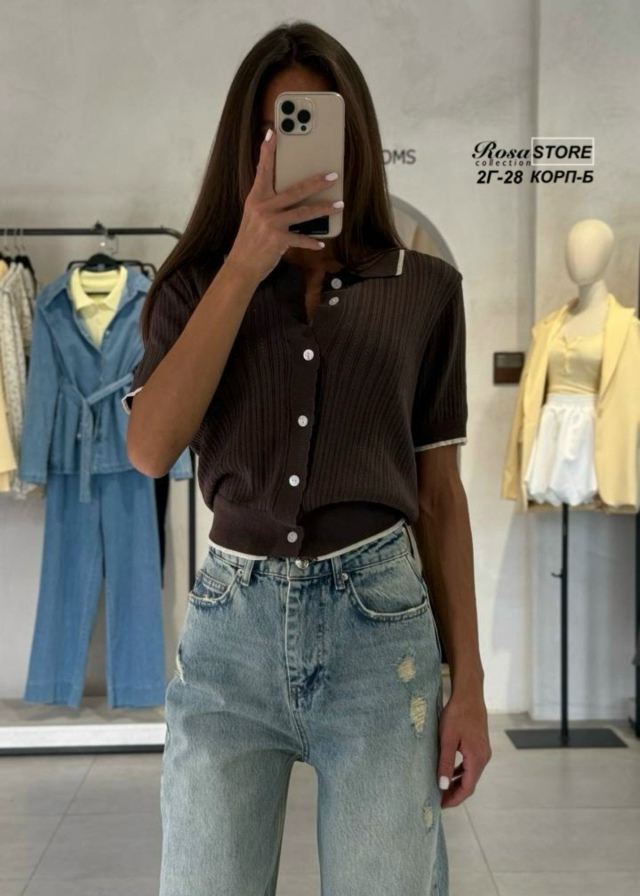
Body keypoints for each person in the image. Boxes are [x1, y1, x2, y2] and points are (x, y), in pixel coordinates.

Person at [124, 20, 491, 896]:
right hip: (230, 633)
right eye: (272, 129)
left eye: (310, 125)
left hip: (381, 633)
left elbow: (440, 495)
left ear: (351, 138)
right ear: (244, 146)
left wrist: (470, 687)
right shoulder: (194, 287)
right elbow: (149, 450)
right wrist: (245, 265)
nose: (287, 150)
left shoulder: (423, 289)